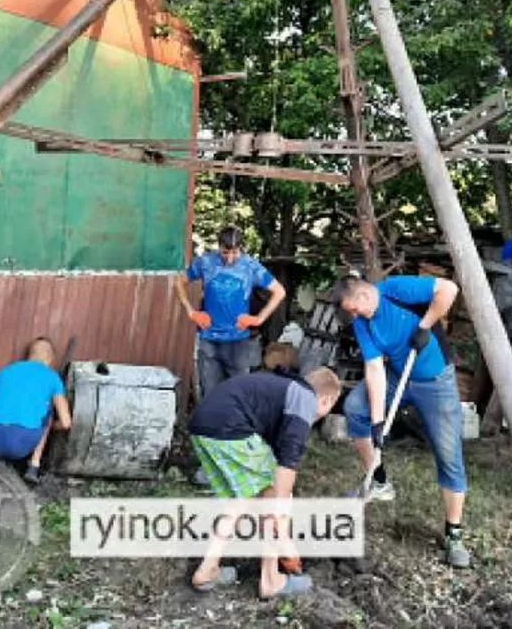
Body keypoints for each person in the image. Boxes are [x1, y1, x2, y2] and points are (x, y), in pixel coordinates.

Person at [333, 274, 471, 568]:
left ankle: (454, 534)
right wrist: (378, 422)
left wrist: (424, 326)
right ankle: (379, 481)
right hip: (399, 377)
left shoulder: (396, 291)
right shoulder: (361, 322)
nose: (353, 315)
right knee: (356, 406)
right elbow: (373, 369)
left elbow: (448, 289)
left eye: (354, 308)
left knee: (448, 453)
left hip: (436, 380)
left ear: (364, 296)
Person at [188, 366, 341, 597]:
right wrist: (281, 521)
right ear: (327, 400)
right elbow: (288, 462)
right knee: (271, 492)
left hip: (202, 426)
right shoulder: (304, 399)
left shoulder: (282, 391)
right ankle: (271, 580)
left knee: (238, 502)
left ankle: (207, 570)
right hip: (231, 426)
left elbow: (274, 453)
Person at [176, 226, 286, 397]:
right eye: (225, 252)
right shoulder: (205, 262)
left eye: (234, 253)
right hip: (209, 341)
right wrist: (191, 312)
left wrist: (258, 319)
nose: (229, 258)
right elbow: (179, 282)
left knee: (239, 394)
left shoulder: (250, 267)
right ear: (219, 246)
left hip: (238, 343)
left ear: (240, 248)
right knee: (210, 394)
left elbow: (279, 292)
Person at [0, 337, 71, 485]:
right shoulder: (52, 377)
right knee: (48, 414)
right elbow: (66, 423)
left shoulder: (4, 372)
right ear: (50, 359)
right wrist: (49, 427)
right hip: (22, 444)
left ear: (29, 355)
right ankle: (33, 466)